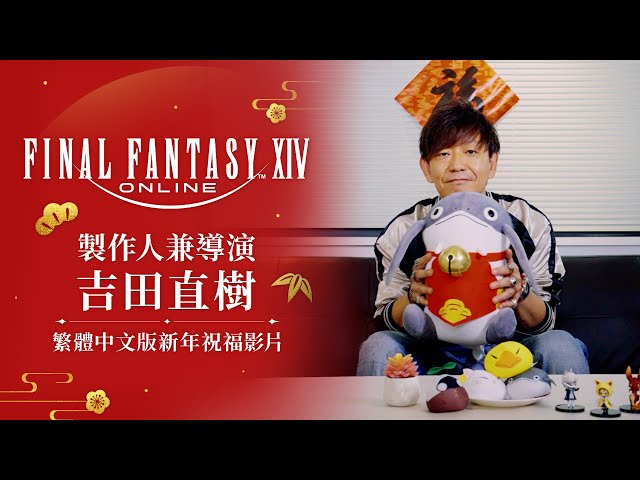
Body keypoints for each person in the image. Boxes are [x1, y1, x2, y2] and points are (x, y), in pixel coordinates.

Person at [357, 98, 589, 376]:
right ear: (426, 167)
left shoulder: (528, 221)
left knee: (560, 345)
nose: (457, 165)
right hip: (429, 348)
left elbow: (545, 322)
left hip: (509, 348)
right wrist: (413, 295)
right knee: (378, 345)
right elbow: (383, 320)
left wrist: (520, 291)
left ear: (492, 162)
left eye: (470, 151)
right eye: (443, 154)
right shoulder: (404, 229)